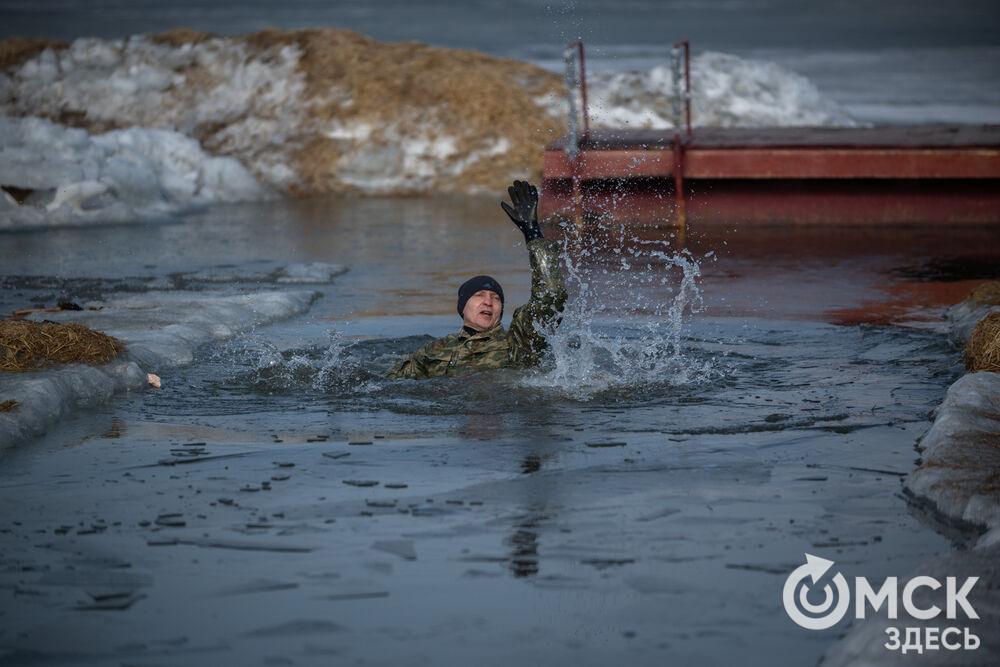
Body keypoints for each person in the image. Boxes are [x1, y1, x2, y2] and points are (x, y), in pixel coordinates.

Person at [386, 180, 567, 379]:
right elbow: (385, 384)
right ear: (463, 306)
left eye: (496, 298)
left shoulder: (520, 342)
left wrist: (532, 233)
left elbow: (551, 295)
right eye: (479, 295)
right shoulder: (435, 350)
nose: (488, 301)